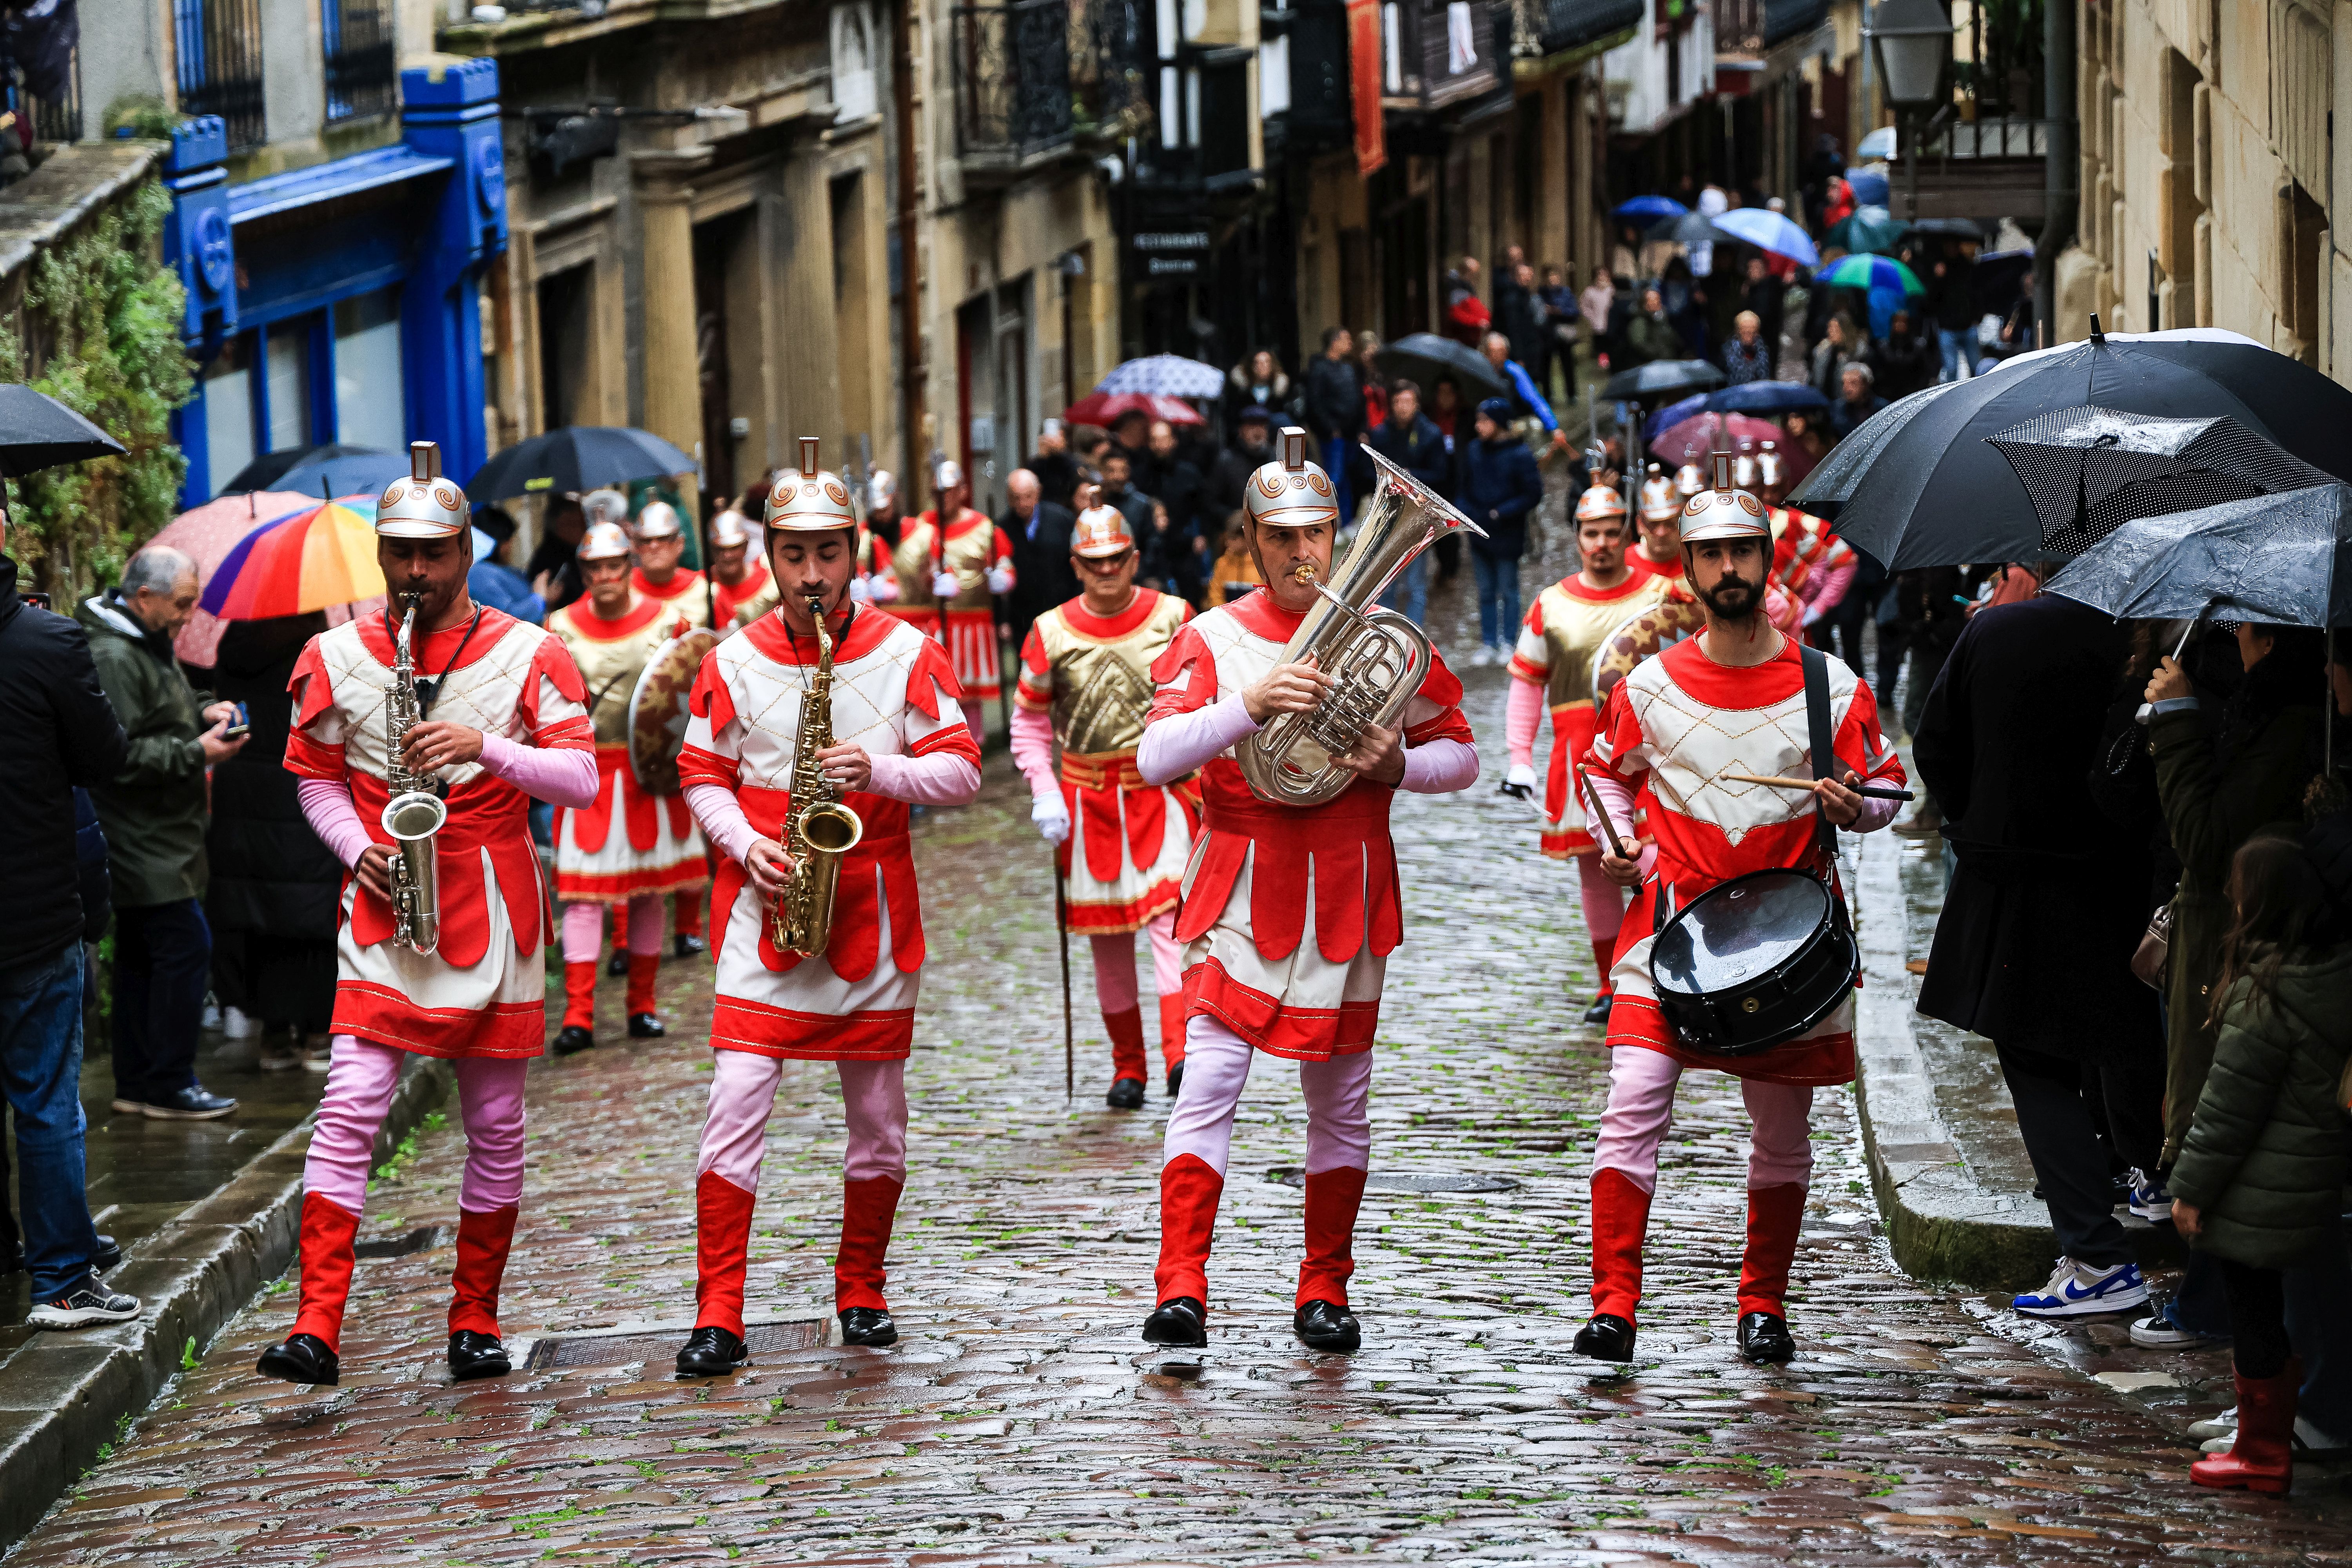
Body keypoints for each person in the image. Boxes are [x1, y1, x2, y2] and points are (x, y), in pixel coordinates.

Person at [259, 441, 599, 1387]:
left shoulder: (534, 649)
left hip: (494, 895)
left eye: (435, 555)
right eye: (400, 555)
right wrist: (353, 845)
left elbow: (578, 776)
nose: (416, 573)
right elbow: (318, 779)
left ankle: (475, 1317)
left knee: (494, 1122)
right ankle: (316, 1325)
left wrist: (488, 746)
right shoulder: (330, 654)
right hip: (382, 900)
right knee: (351, 1102)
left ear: (463, 551)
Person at [1135, 427, 1479, 1355]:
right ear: (1250, 538)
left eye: (1316, 534)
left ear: (1337, 535)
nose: (1301, 554)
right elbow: (1152, 754)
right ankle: (1182, 1286)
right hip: (1239, 878)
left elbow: (1465, 756)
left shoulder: (1386, 641)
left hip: (1349, 884)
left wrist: (1396, 762)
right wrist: (1246, 707)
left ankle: (1324, 1287)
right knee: (1208, 1080)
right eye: (1280, 536)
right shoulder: (1210, 635)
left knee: (1342, 1098)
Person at [1577, 455, 1907, 1366]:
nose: (1728, 570)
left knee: (1782, 1130)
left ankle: (1763, 1303)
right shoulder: (1646, 687)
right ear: (1687, 568)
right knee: (1634, 1099)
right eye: (1710, 554)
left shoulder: (1829, 686)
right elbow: (1601, 768)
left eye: (1742, 553)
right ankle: (1614, 1306)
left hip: (1787, 944)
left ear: (1768, 563)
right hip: (1670, 927)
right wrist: (1626, 849)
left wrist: (1856, 804)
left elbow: (1886, 792)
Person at [672, 442, 983, 1374]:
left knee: (879, 1118)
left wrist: (881, 769)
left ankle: (862, 1288)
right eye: (794, 554)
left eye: (829, 554)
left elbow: (964, 768)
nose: (811, 575)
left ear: (858, 551)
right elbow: (701, 771)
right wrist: (743, 843)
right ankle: (719, 1310)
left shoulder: (907, 651)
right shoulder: (731, 658)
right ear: (770, 554)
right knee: (735, 1101)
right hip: (762, 903)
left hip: (873, 907)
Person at [1913, 584, 2166, 1318]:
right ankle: (2140, 1185)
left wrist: (1982, 815)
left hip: (2015, 874)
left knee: (2036, 1061)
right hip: (2113, 880)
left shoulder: (1999, 630)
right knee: (2112, 1039)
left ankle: (2096, 1253)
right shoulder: (2145, 634)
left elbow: (1936, 745)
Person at [2171, 835, 2352, 1495]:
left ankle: (2262, 1451)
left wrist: (2189, 1192)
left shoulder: (2264, 996)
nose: (2227, 898)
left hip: (2257, 1188)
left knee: (2256, 1320)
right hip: (2312, 1179)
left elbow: (2226, 1113)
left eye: (2238, 888)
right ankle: (2271, 1440)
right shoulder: (2332, 976)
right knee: (2292, 1313)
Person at [1011, 494, 1198, 1106]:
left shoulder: (1175, 616)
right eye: (1095, 562)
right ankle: (1129, 1068)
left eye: (1117, 558)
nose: (1108, 570)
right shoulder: (1049, 630)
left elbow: (1203, 703)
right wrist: (1044, 792)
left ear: (1135, 556)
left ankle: (1181, 1058)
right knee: (1109, 942)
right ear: (1076, 565)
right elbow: (1031, 723)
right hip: (1087, 801)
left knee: (1171, 925)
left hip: (1160, 792)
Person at [2, 513, 138, 1330]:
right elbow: (106, 758)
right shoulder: (48, 640)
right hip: (30, 908)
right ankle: (60, 1279)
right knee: (48, 1100)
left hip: (32, 906)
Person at [2145, 622, 2330, 1174]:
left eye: (2245, 625)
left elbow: (2207, 842)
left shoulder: (2289, 726)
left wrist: (2178, 721)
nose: (2235, 634)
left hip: (2235, 953)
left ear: (2271, 642)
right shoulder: (2262, 712)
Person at [78, 546, 246, 1121]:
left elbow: (163, 707)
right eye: (182, 604)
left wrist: (203, 709)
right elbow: (117, 756)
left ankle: (139, 1082)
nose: (188, 615)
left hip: (162, 832)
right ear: (144, 597)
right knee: (184, 946)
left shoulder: (142, 638)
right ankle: (170, 1082)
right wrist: (195, 753)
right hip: (139, 835)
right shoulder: (113, 654)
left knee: (144, 957)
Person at [1502, 484, 1670, 1024]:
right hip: (1580, 755)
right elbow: (1527, 685)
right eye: (1591, 533)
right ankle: (1609, 985)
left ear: (1628, 534)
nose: (1600, 543)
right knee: (1596, 871)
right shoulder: (1550, 603)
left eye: (1610, 532)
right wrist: (1519, 757)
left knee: (1659, 862)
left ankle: (1663, 970)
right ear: (1577, 537)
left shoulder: (1666, 593)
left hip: (1653, 750)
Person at [545, 521, 711, 1052]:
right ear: (585, 572)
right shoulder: (560, 627)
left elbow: (692, 686)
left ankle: (642, 1005)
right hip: (587, 774)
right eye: (595, 568)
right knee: (584, 898)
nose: (606, 577)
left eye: (615, 566)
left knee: (647, 893)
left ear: (629, 565)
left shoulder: (669, 623)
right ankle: (578, 1015)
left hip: (649, 772)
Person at [205, 613, 342, 1074]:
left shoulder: (233, 647)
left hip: (243, 795)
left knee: (260, 912)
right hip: (302, 787)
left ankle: (275, 1034)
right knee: (314, 909)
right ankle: (319, 1032)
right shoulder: (321, 652)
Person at [911, 460, 1014, 743]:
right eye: (937, 492)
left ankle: (972, 746)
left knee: (970, 695)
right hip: (933, 623)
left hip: (973, 623)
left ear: (961, 492)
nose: (942, 498)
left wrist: (1001, 579)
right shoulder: (923, 526)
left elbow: (1005, 566)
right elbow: (911, 566)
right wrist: (928, 579)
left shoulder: (984, 528)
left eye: (947, 492)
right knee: (933, 689)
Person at [1459, 398, 1545, 666]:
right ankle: (1489, 642)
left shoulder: (1520, 454)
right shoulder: (1473, 451)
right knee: (1485, 591)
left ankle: (1509, 641)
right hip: (1478, 532)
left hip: (1507, 533)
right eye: (1478, 420)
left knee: (1508, 590)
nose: (1479, 426)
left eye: (1484, 421)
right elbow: (1463, 487)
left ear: (1498, 423)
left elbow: (1533, 493)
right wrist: (1466, 517)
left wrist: (1502, 512)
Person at [1366, 381, 1448, 626]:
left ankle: (1412, 637)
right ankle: (1386, 633)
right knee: (1386, 584)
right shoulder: (1381, 434)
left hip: (1417, 516)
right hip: (1389, 514)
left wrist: (1412, 475)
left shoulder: (1431, 434)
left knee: (1415, 584)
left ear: (1417, 404)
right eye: (1398, 403)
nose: (1403, 408)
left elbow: (1442, 474)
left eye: (1407, 402)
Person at [1002, 466, 1078, 650]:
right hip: (1023, 617)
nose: (1023, 503)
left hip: (1061, 609)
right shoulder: (1003, 528)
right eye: (1016, 498)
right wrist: (1003, 620)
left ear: (1038, 493)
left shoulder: (1062, 519)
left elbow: (1077, 566)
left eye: (1028, 497)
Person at [1303, 327, 1365, 523]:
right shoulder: (1320, 369)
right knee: (1335, 478)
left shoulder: (1349, 368)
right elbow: (1315, 402)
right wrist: (1330, 429)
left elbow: (1358, 399)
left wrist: (1361, 428)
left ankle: (1346, 521)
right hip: (1334, 435)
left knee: (1348, 479)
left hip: (1351, 433)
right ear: (1334, 342)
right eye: (1346, 339)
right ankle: (1330, 522)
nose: (1350, 344)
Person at [1144, 421, 1207, 601]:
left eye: (1164, 439)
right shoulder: (1144, 475)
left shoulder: (1189, 473)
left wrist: (1201, 534)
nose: (1160, 445)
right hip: (1155, 548)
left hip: (1185, 545)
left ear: (1173, 441)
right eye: (1155, 440)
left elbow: (1202, 507)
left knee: (1191, 595)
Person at [1481, 332, 1567, 458]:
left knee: (1533, 428)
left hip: (1515, 420)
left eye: (1501, 351)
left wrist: (1553, 426)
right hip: (1490, 421)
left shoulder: (1515, 371)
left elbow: (1534, 399)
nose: (1497, 355)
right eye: (1493, 351)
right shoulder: (1482, 372)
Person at [629, 501, 711, 630]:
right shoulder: (622, 590)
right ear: (635, 546)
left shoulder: (707, 591)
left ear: (680, 543)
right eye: (646, 540)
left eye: (663, 539)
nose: (654, 546)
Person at [467, 508, 544, 624]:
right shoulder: (479, 574)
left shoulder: (500, 570)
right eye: (508, 540)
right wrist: (540, 597)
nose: (510, 547)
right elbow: (510, 617)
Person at [708, 509, 780, 629]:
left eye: (734, 548)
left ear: (745, 546)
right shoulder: (700, 587)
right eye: (721, 549)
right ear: (712, 551)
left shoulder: (771, 579)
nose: (728, 556)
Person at [1207, 405, 1275, 519]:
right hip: (1236, 529)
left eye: (1262, 427)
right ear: (1241, 431)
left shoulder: (1275, 460)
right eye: (1252, 427)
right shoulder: (1227, 461)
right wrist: (1232, 516)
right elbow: (1210, 502)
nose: (1258, 432)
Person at [525, 494, 588, 615]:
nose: (585, 528)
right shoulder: (550, 558)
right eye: (579, 523)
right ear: (563, 524)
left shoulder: (575, 551)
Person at [1928, 240, 1978, 383]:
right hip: (1947, 328)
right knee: (1951, 369)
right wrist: (1938, 279)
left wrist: (1977, 317)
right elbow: (1931, 302)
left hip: (1968, 325)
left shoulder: (1967, 268)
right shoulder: (1939, 268)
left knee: (1977, 367)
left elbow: (1975, 294)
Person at [1866, 309, 1936, 401]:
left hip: (1913, 395)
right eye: (1897, 322)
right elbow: (1876, 372)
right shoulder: (1883, 348)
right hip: (1886, 396)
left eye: (1903, 323)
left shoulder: (1919, 348)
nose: (1900, 326)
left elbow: (1926, 372)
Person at [1203, 514, 1263, 606]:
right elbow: (1215, 594)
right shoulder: (1222, 564)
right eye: (1228, 538)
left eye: (1234, 539)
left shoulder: (1260, 564)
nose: (1228, 543)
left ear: (1246, 538)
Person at [1223, 350, 1291, 430]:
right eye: (1258, 363)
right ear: (1251, 366)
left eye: (1267, 362)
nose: (1262, 366)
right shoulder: (1241, 391)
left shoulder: (1279, 391)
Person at [1025, 418, 1082, 512]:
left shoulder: (1070, 462)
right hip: (1042, 511)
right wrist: (1043, 457)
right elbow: (1029, 481)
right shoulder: (1036, 464)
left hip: (1067, 511)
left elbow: (1075, 478)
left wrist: (1059, 453)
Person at [1809, 313, 1864, 401]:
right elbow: (1816, 377)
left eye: (1834, 328)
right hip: (1824, 398)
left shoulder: (1858, 353)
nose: (1829, 332)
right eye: (1829, 327)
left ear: (1844, 330)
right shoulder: (1826, 350)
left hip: (1846, 402)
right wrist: (1819, 353)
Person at [1622, 288, 1682, 370]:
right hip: (1647, 366)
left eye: (1658, 300)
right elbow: (1639, 344)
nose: (1656, 303)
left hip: (1667, 363)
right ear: (1645, 303)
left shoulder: (1663, 320)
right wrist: (1660, 354)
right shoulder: (1639, 321)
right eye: (1652, 300)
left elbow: (1672, 337)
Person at [1829, 362, 1886, 441]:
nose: (1847, 389)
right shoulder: (1837, 409)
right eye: (1844, 383)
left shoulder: (1883, 408)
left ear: (1866, 384)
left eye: (1854, 383)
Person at [1721, 310, 1773, 384]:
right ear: (1738, 331)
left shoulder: (1764, 352)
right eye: (1745, 329)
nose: (1748, 332)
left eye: (1752, 330)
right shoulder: (1726, 354)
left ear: (1757, 332)